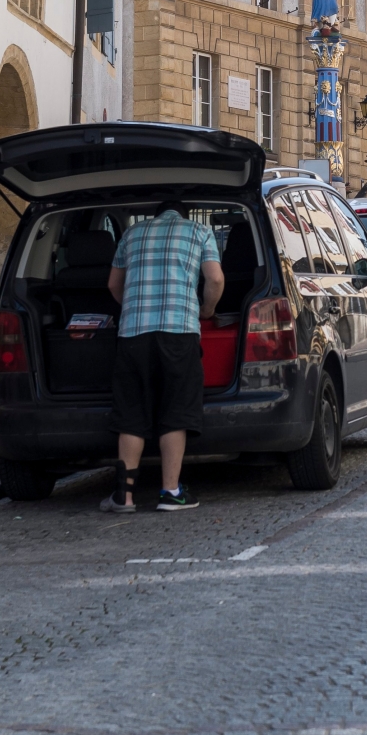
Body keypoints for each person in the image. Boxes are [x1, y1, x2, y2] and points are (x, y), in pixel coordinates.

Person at [104, 201, 225, 513]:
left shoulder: (132, 234)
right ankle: (170, 492)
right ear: (183, 214)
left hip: (133, 334)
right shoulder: (199, 231)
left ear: (155, 215)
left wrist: (131, 306)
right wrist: (206, 310)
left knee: (131, 413)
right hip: (179, 333)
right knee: (175, 410)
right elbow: (214, 279)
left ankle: (124, 497)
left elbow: (113, 284)